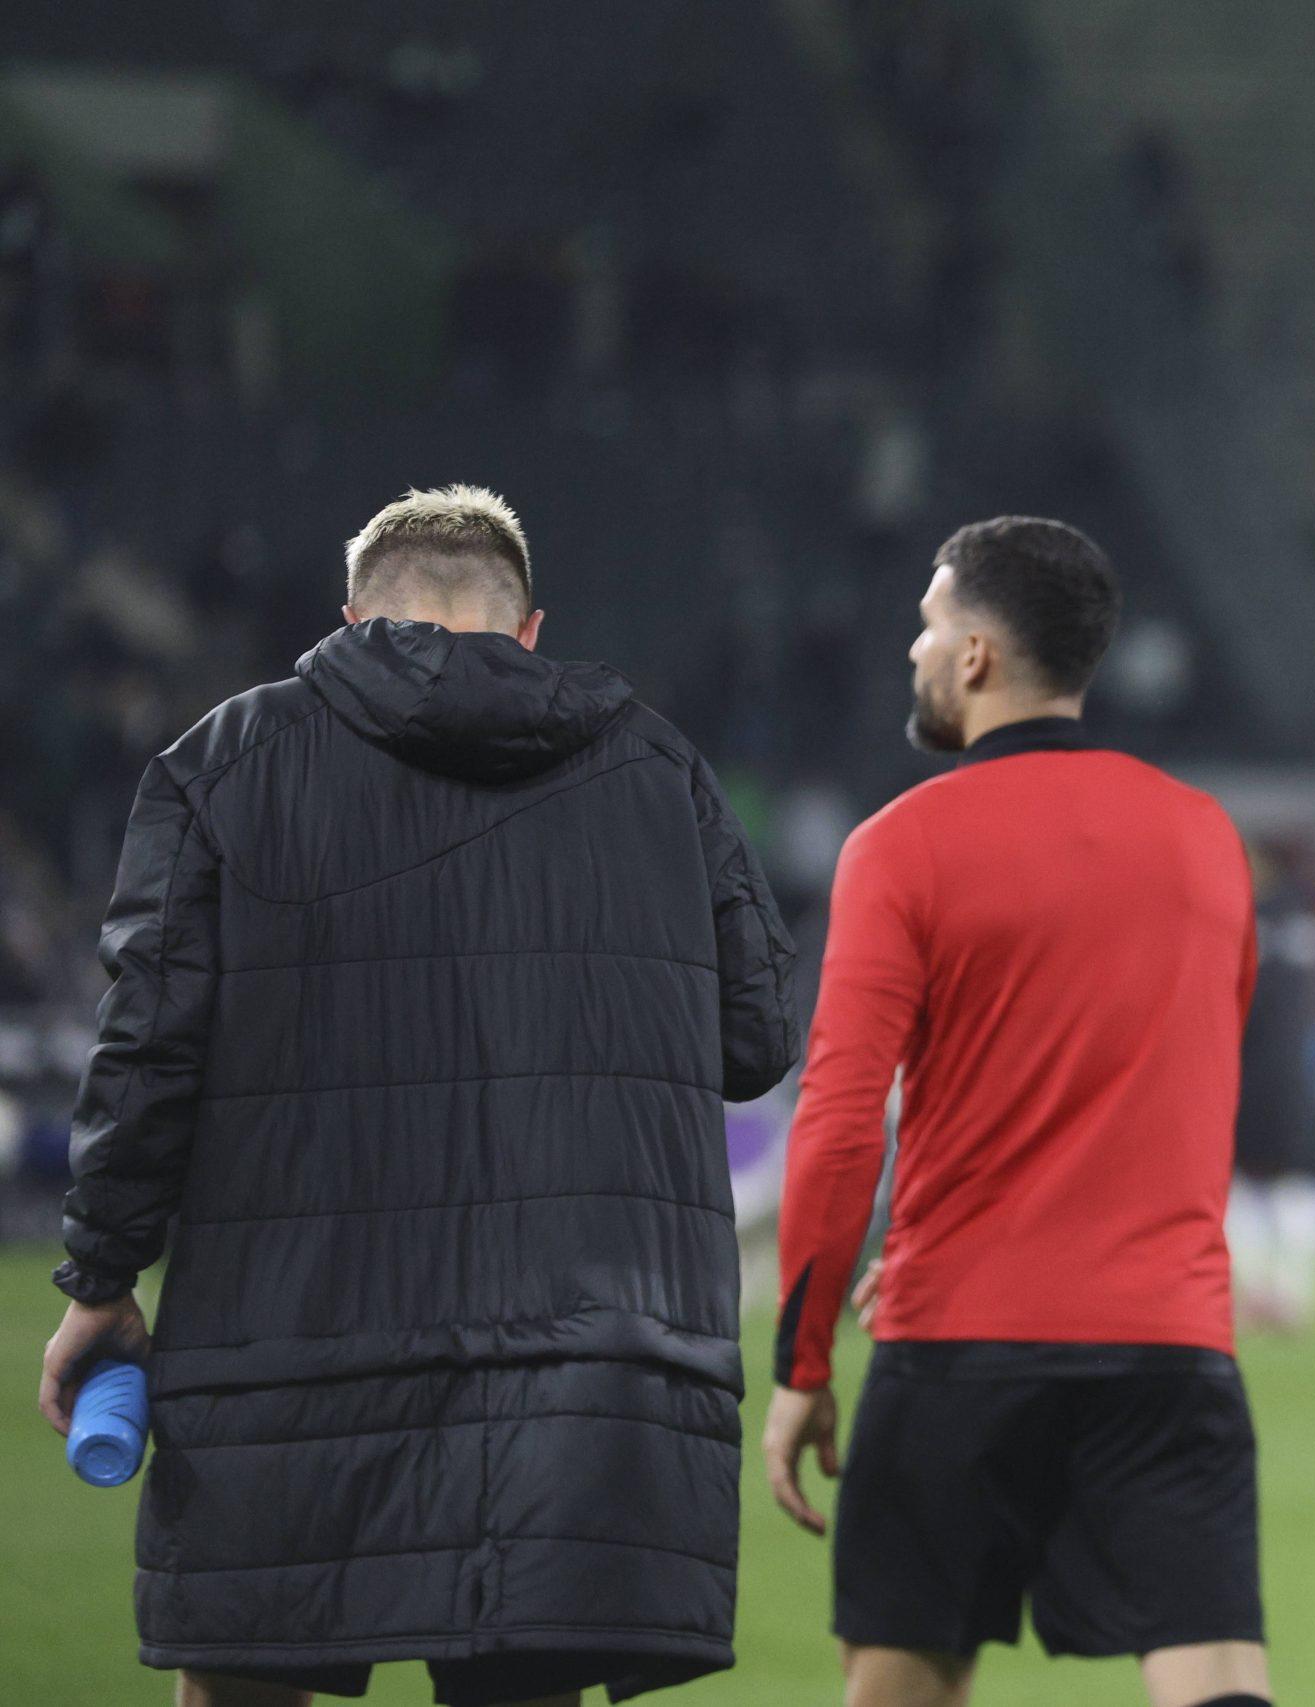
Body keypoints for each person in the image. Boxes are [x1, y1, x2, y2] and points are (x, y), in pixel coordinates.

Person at [37, 486, 800, 1706]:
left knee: (243, 1684)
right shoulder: (662, 771)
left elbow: (146, 1051)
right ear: (531, 630)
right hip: (578, 1375)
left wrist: (100, 1279)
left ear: (353, 621)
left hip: (283, 1352)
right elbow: (756, 1039)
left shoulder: (222, 764)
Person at [764, 517, 1273, 1707]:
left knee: (904, 1679)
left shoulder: (900, 848)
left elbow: (840, 1123)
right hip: (1167, 1340)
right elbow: (1193, 1083)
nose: (914, 648)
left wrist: (803, 1360)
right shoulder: (1206, 840)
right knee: (1215, 1674)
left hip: (958, 1344)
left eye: (931, 623)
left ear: (980, 655)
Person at [1228, 845, 1315, 1335]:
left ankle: (1256, 1297)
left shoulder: (1250, 920)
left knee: (1242, 1184)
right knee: (1292, 1184)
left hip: (1247, 1068)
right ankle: (1293, 1296)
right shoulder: (1307, 923)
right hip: (1297, 1072)